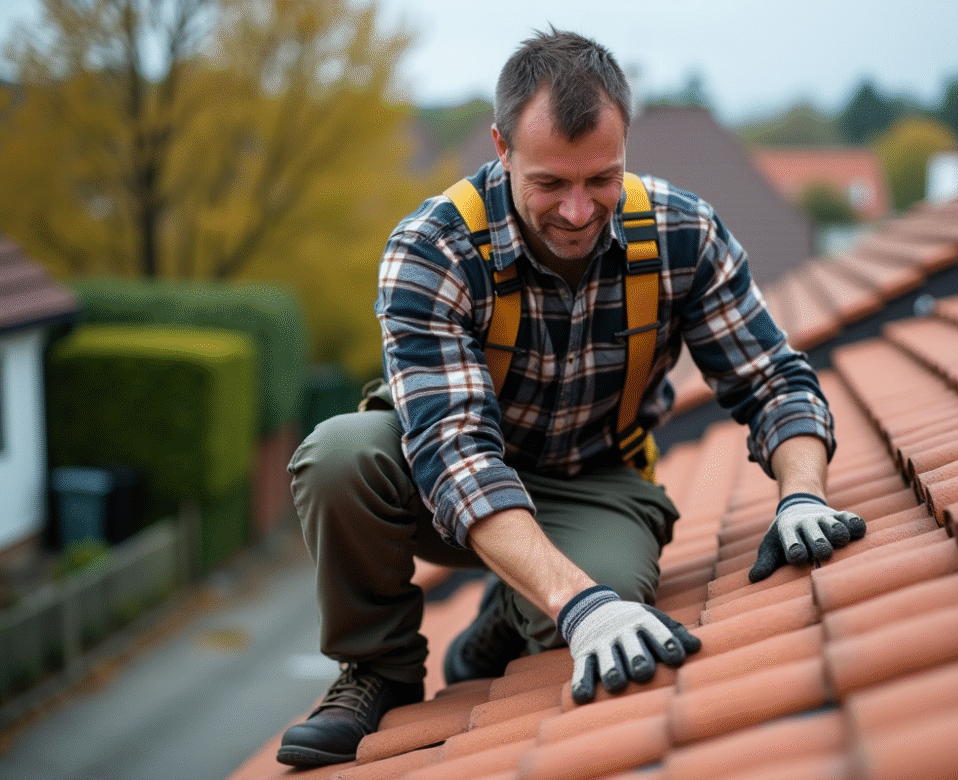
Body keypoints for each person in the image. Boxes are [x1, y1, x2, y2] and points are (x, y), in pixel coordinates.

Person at [275, 28, 865, 769]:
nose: (580, 212)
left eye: (602, 180)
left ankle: (508, 621)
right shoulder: (434, 250)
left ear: (625, 145)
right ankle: (377, 671)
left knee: (618, 613)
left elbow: (773, 379)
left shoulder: (683, 232)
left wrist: (802, 495)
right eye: (551, 184)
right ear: (502, 147)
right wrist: (576, 601)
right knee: (338, 456)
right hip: (436, 484)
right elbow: (455, 454)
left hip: (593, 480)